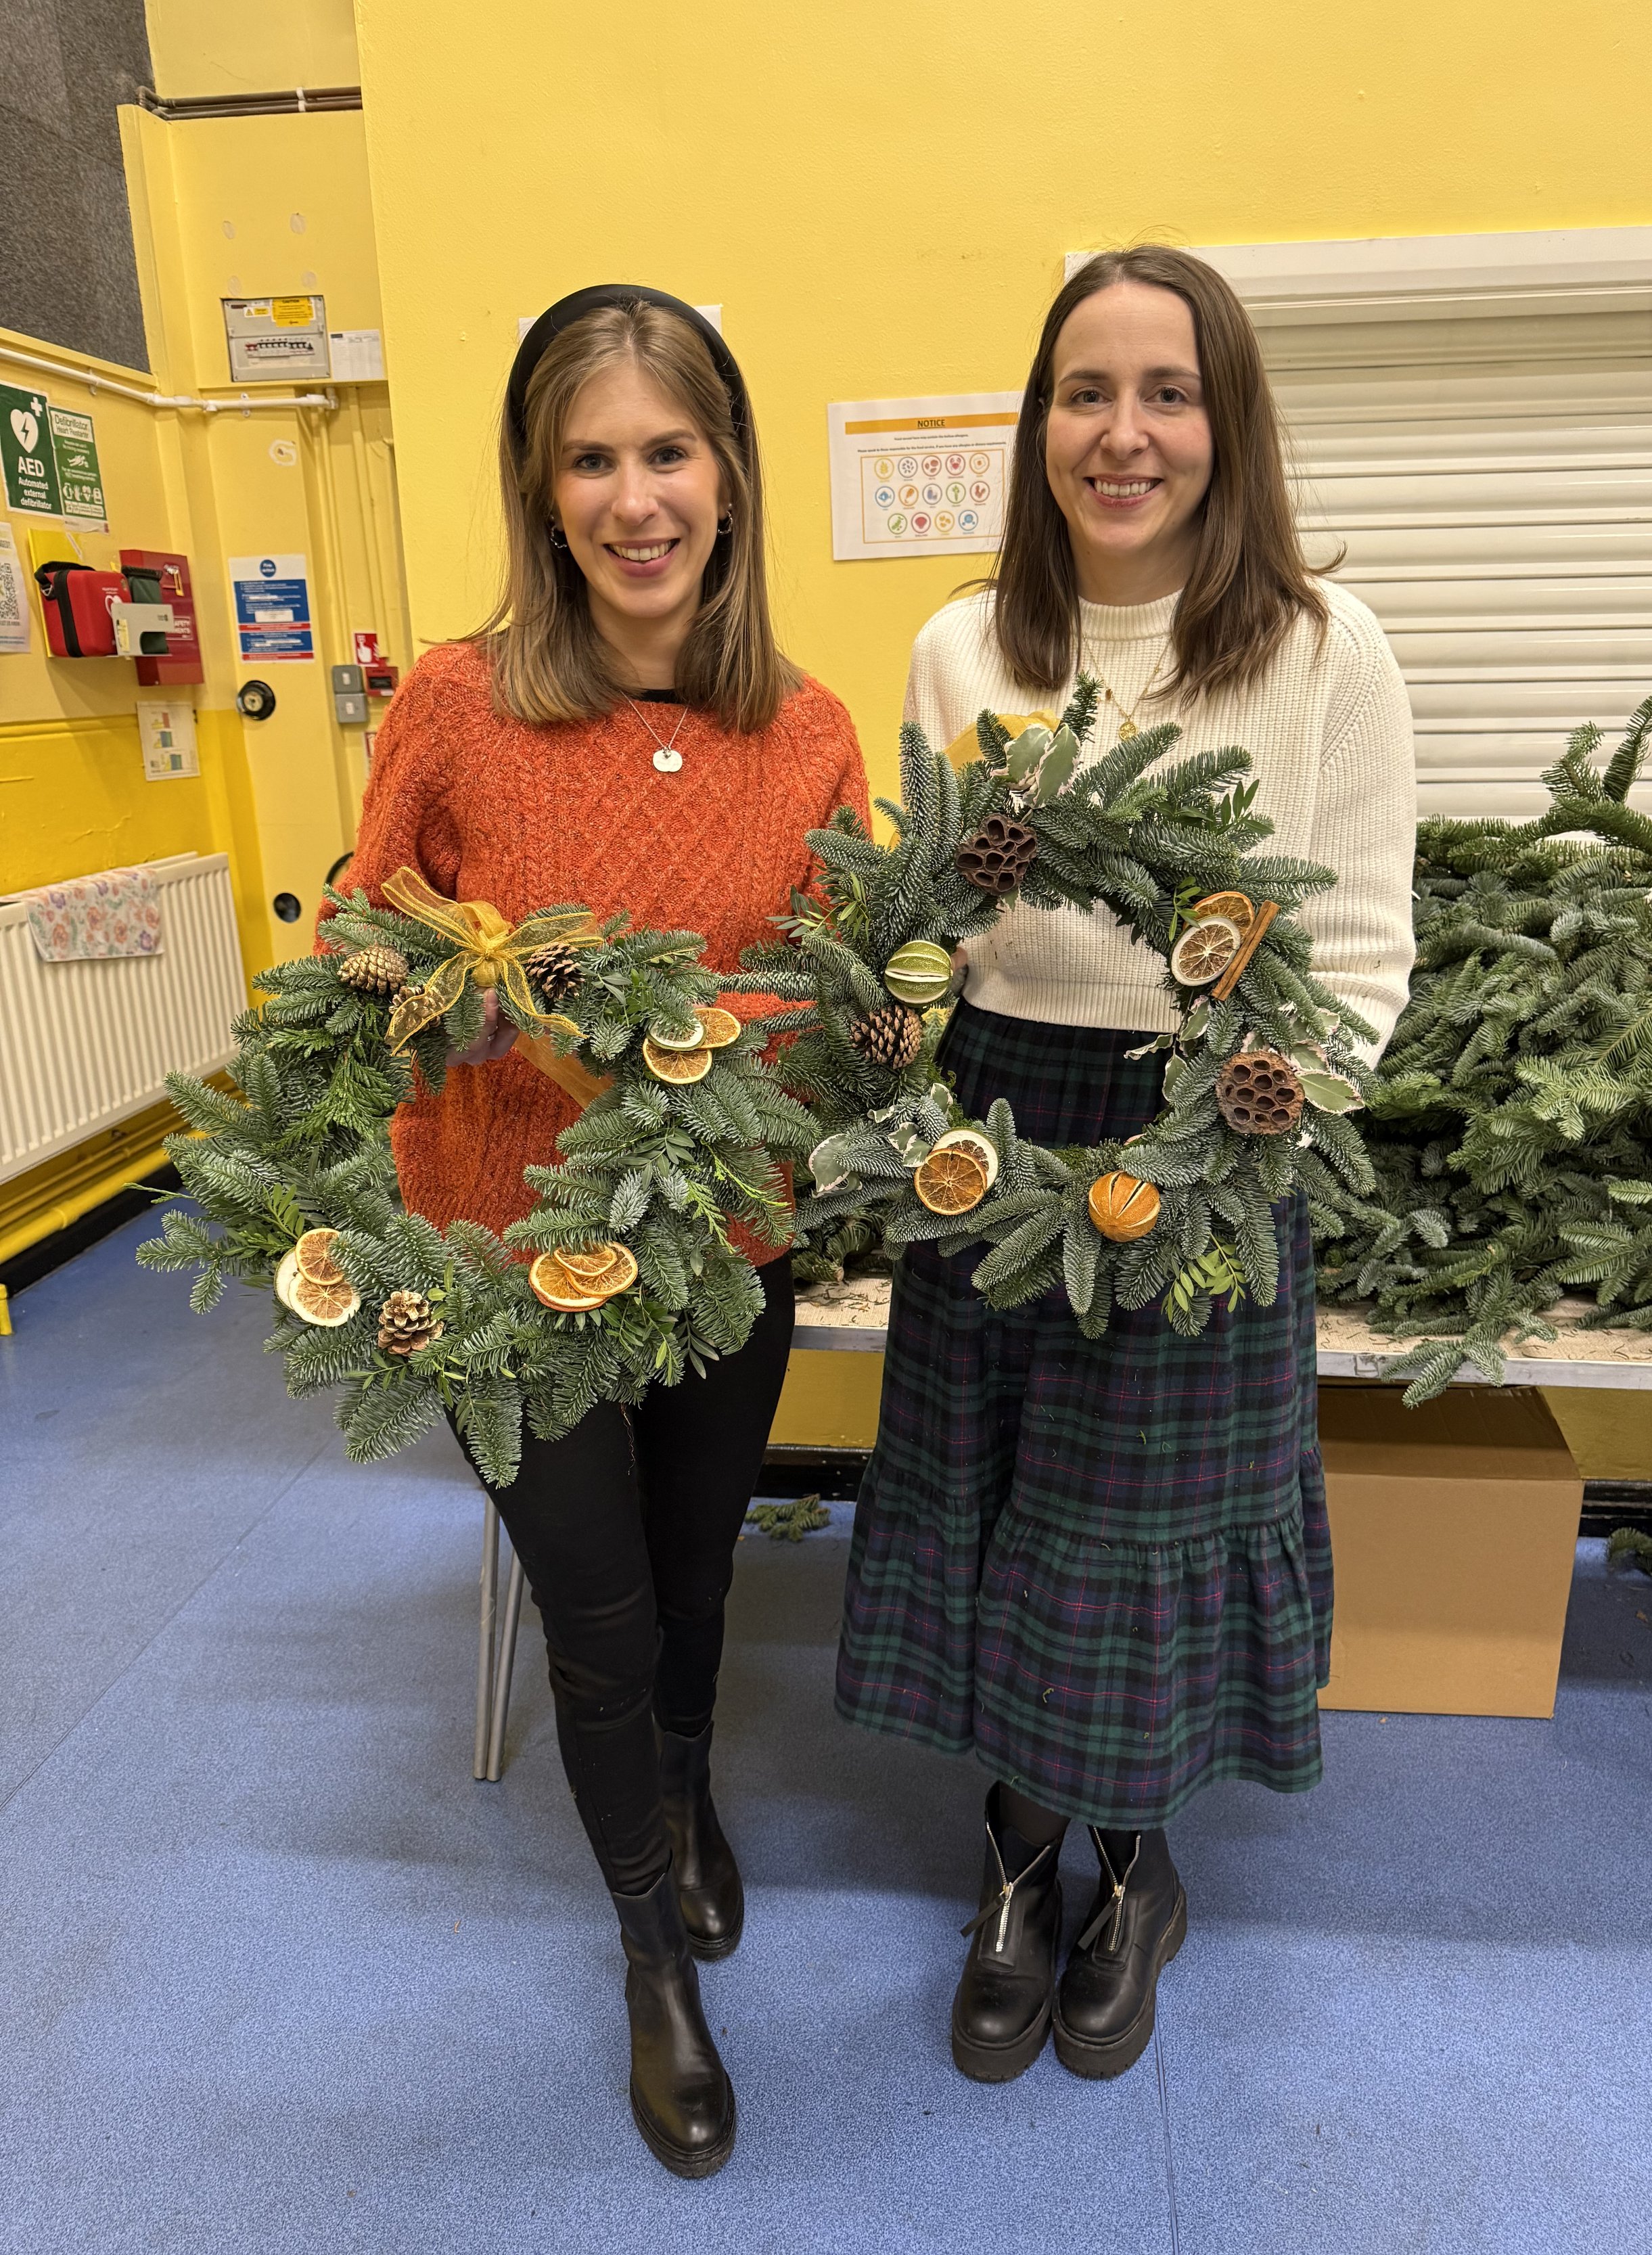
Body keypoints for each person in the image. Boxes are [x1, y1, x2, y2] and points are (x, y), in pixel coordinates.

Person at [837, 247, 1417, 2085]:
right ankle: (1016, 1867)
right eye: (1083, 392)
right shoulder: (961, 647)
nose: (1122, 432)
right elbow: (932, 918)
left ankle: (1133, 1872)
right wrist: (888, 1058)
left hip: (1217, 1126)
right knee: (1008, 1513)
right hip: (997, 1133)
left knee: (1127, 1547)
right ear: (1037, 425)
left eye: (1164, 392)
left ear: (1223, 420)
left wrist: (1236, 1143)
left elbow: (1366, 960)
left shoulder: (1325, 647)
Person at [339, 286, 869, 2177]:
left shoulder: (802, 731)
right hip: (502, 1257)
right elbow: (362, 920)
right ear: (541, 488)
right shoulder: (459, 705)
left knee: (700, 1576)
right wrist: (438, 985)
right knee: (596, 1617)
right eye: (592, 458)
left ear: (724, 473)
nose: (635, 498)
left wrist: (767, 1051)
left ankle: (686, 1795)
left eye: (667, 450)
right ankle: (653, 1960)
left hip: (725, 1239)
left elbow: (833, 978)